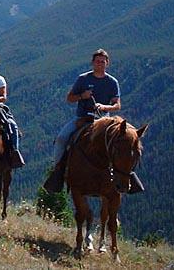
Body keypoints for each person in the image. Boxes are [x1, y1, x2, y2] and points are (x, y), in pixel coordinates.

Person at [43, 48, 142, 194]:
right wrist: (83, 95)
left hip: (105, 120)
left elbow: (117, 105)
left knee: (129, 141)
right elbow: (70, 98)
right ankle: (58, 171)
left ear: (107, 63)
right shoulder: (83, 79)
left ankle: (129, 175)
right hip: (83, 118)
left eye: (103, 62)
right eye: (97, 61)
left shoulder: (112, 82)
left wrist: (104, 106)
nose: (100, 64)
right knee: (61, 139)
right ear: (92, 63)